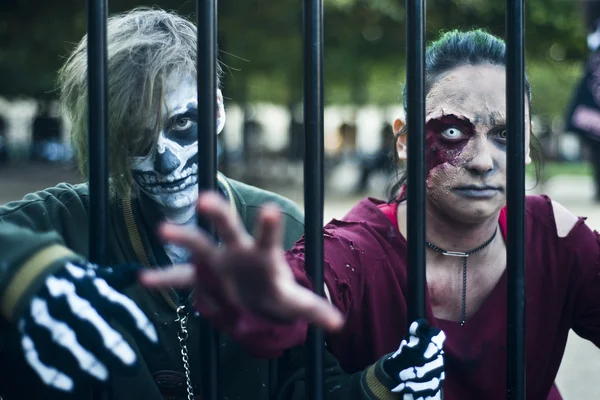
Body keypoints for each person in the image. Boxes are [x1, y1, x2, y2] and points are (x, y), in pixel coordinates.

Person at [141, 29, 598, 400]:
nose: (482, 160)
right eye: (453, 130)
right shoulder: (356, 249)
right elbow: (298, 291)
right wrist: (262, 300)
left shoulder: (553, 236)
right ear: (404, 141)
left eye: (504, 133)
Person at [0, 8, 339, 400]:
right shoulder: (63, 220)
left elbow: (313, 382)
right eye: (137, 137)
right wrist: (26, 266)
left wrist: (379, 383)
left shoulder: (284, 227)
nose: (166, 160)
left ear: (217, 111)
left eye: (181, 124)